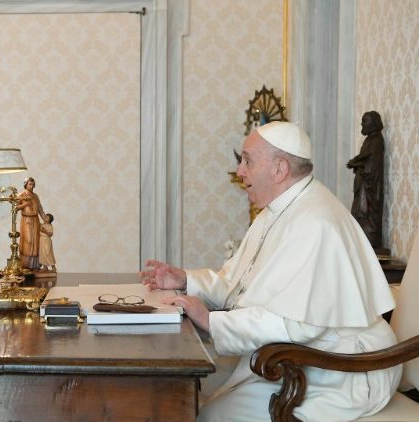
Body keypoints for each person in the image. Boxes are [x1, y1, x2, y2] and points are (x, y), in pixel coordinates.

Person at [141, 122, 400, 421]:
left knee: (208, 413)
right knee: (172, 390)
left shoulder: (316, 222)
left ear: (279, 169)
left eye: (248, 160)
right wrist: (186, 280)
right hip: (303, 356)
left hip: (344, 370)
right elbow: (237, 284)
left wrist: (211, 321)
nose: (239, 171)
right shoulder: (276, 211)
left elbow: (296, 324)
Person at [347, 110, 385, 249]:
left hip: (369, 188)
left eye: (365, 121)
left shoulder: (376, 141)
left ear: (373, 123)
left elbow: (371, 165)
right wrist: (355, 162)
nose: (362, 124)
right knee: (359, 214)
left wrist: (355, 163)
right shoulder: (370, 139)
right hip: (363, 186)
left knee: (366, 215)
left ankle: (369, 240)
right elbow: (365, 157)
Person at [16, 177, 46, 270]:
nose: (32, 186)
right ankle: (25, 264)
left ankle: (34, 265)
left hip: (35, 220)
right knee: (28, 241)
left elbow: (40, 208)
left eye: (33, 184)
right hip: (26, 220)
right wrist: (25, 204)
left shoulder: (35, 196)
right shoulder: (22, 194)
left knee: (35, 241)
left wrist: (45, 219)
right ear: (26, 184)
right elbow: (15, 207)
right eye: (30, 184)